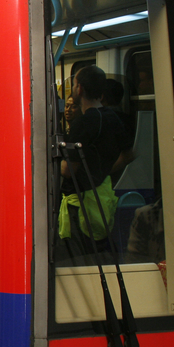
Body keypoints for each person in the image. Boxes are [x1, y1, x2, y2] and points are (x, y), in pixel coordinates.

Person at [58, 65, 133, 259]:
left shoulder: (80, 124)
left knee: (79, 255)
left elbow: (68, 170)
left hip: (80, 204)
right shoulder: (113, 118)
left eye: (74, 84)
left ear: (80, 89)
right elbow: (128, 154)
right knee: (98, 250)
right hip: (103, 197)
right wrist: (103, 171)